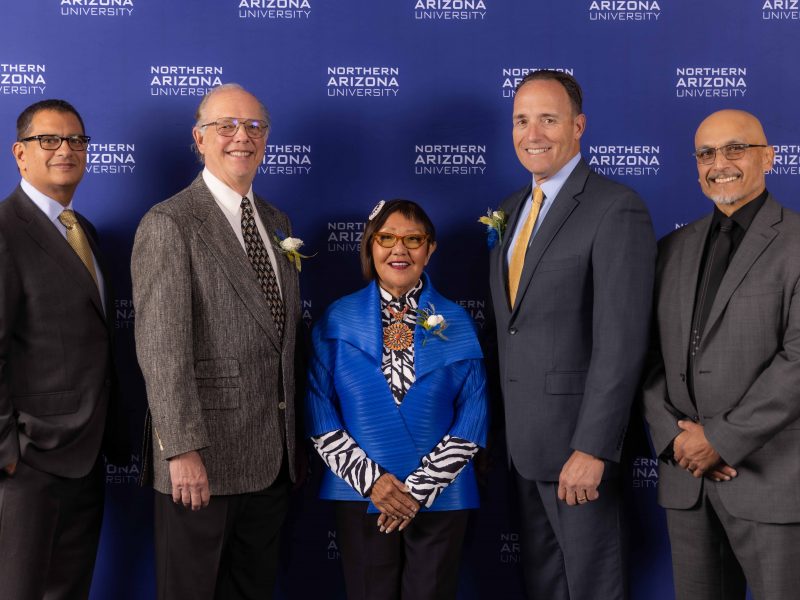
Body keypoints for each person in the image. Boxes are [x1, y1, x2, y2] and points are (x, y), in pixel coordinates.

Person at [488, 70, 656, 599]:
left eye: (548, 119)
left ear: (578, 126)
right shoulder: (512, 209)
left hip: (578, 452)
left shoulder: (614, 206)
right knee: (544, 587)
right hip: (524, 446)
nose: (532, 133)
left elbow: (622, 341)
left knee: (593, 588)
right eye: (521, 120)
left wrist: (593, 447)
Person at [131, 83, 301, 600]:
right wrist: (180, 449)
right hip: (200, 464)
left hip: (272, 458)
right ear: (199, 139)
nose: (241, 138)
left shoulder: (276, 222)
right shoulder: (170, 223)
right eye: (225, 126)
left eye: (254, 127)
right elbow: (162, 349)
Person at [642, 109, 800, 600]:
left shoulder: (797, 243)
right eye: (706, 153)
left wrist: (722, 439)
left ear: (769, 158)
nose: (720, 163)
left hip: (772, 480)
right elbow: (646, 360)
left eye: (736, 149)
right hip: (687, 481)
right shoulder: (670, 249)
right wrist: (677, 439)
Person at [305, 199, 488, 600]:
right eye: (386, 238)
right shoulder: (337, 318)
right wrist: (373, 482)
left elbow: (474, 412)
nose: (399, 250)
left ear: (430, 248)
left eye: (413, 239)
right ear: (371, 245)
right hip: (360, 493)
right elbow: (318, 409)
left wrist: (419, 488)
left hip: (442, 495)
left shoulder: (456, 319)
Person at [0, 99, 123, 599]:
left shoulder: (83, 231)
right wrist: (8, 453)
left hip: (86, 456)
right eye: (48, 140)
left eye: (76, 140)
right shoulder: (5, 230)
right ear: (20, 153)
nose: (65, 150)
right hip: (27, 465)